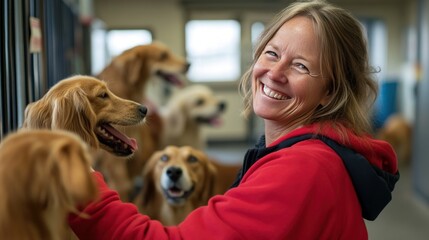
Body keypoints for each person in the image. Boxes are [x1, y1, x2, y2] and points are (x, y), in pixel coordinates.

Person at [69, 0, 399, 239]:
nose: (275, 73)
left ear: (330, 90)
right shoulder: (312, 154)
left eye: (300, 66)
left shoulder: (302, 170)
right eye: (272, 53)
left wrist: (74, 182)